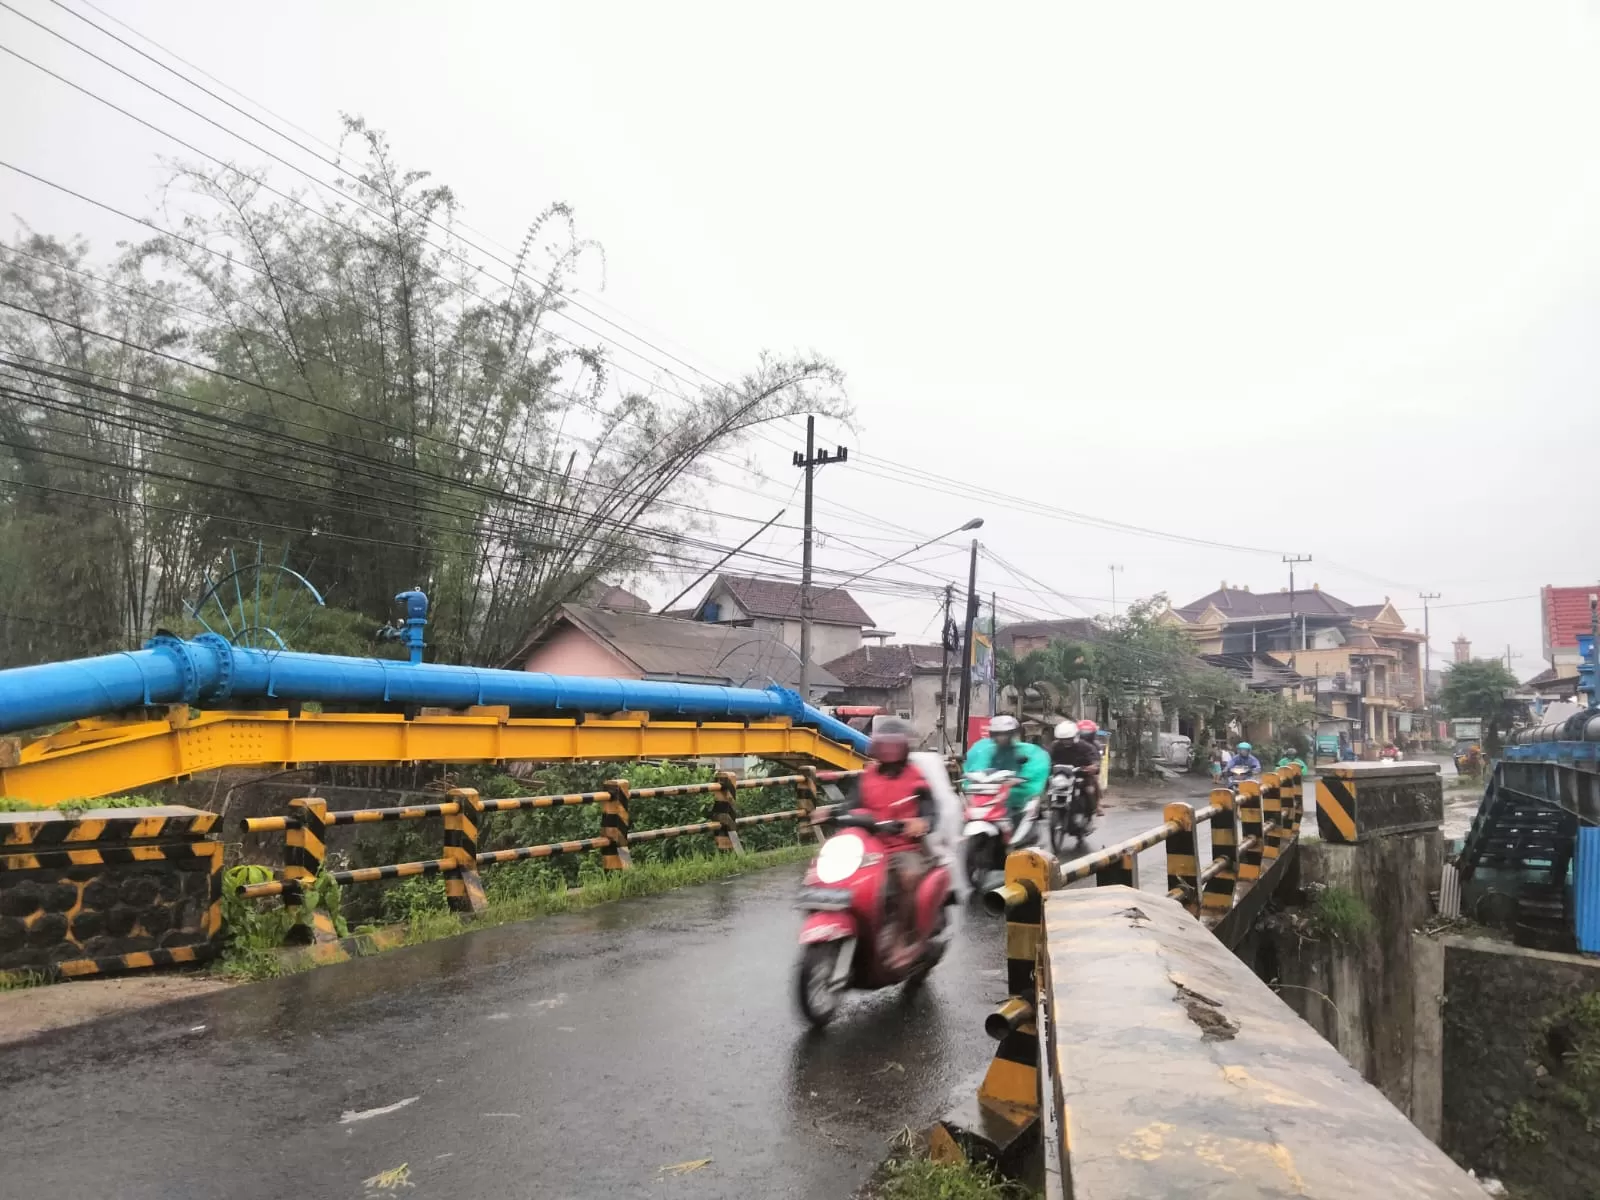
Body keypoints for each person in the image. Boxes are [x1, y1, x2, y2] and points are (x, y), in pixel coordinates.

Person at [839, 717, 937, 969]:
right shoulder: (867, 776)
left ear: (904, 749)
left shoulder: (915, 777)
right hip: (867, 847)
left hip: (903, 847)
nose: (889, 752)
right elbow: (850, 806)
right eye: (885, 747)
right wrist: (830, 814)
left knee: (908, 876)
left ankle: (902, 938)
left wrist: (922, 822)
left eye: (894, 747)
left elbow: (929, 809)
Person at [964, 714, 1050, 825]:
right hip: (991, 790)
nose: (1002, 737)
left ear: (1012, 734)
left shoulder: (1025, 750)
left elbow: (1034, 768)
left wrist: (1021, 778)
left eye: (1005, 734)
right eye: (998, 734)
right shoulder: (985, 749)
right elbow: (977, 767)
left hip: (1014, 791)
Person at [1050, 719, 1105, 815]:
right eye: (1063, 739)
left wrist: (1093, 766)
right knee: (1049, 782)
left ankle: (1094, 807)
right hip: (1062, 774)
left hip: (1081, 773)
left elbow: (1094, 756)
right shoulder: (1055, 746)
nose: (1066, 742)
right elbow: (1047, 757)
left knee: (1090, 788)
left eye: (1068, 739)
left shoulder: (1086, 746)